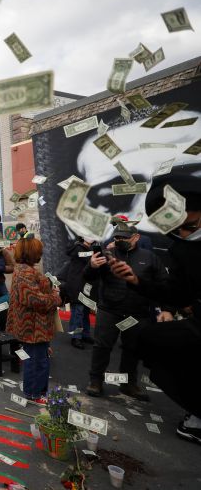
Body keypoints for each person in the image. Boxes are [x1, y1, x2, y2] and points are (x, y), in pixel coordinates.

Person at [109, 176, 201, 444]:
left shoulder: (149, 257)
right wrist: (135, 280)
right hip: (120, 310)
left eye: (191, 226)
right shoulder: (182, 250)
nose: (185, 235)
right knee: (146, 341)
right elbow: (174, 290)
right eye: (176, 231)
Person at [84, 223, 168, 401]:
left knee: (132, 350)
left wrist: (167, 309)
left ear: (136, 238)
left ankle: (128, 384)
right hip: (109, 310)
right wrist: (91, 265)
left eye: (123, 238)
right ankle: (96, 381)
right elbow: (88, 277)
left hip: (137, 313)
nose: (119, 241)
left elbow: (164, 284)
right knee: (102, 347)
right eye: (116, 238)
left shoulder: (150, 257)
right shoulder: (107, 255)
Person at [6, 236, 61, 404]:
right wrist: (55, 297)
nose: (41, 253)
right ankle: (34, 393)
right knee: (36, 361)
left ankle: (37, 391)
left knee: (38, 359)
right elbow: (34, 300)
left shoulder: (24, 270)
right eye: (39, 250)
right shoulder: (25, 272)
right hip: (32, 326)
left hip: (34, 325)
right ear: (32, 252)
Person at [59, 236, 96, 349]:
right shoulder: (78, 248)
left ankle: (84, 334)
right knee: (78, 312)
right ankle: (76, 336)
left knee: (84, 312)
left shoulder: (91, 249)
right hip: (76, 285)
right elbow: (86, 258)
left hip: (86, 286)